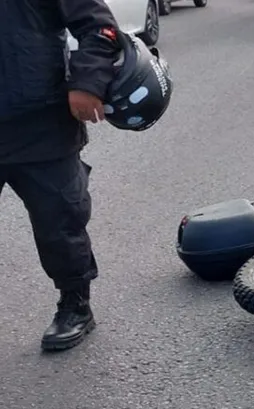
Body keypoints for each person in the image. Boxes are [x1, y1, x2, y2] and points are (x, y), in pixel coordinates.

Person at [0, 0, 121, 352]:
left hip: (41, 123)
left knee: (60, 223)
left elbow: (100, 28)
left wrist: (87, 82)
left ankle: (75, 304)